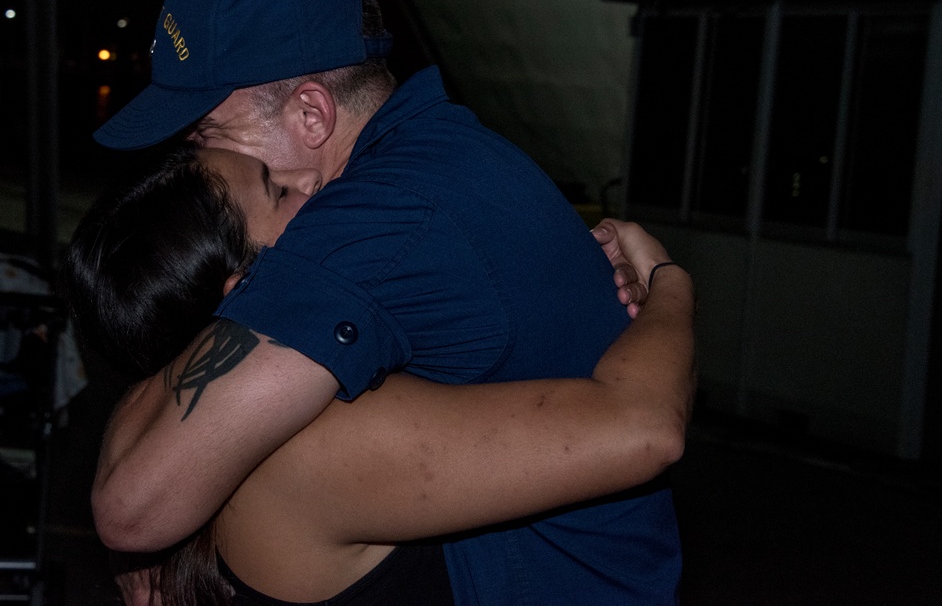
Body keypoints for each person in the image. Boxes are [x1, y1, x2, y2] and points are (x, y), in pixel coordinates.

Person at [91, 0, 693, 603]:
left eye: (208, 131)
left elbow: (136, 505)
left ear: (312, 113)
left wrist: (669, 281)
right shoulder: (446, 153)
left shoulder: (368, 219)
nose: (195, 154)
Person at [60, 143, 695, 605]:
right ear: (243, 291)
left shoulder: (181, 436)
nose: (316, 182)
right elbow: (643, 427)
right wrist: (669, 283)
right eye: (278, 191)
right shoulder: (314, 444)